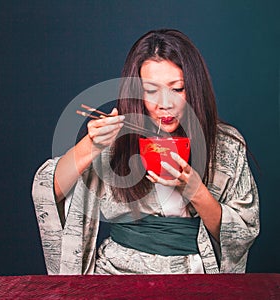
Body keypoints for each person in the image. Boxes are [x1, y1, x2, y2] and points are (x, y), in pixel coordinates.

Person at [32, 29, 259, 274]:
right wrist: (91, 145)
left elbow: (243, 231)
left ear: (195, 88)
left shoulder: (226, 144)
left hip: (196, 273)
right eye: (151, 91)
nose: (164, 103)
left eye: (178, 88)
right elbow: (48, 189)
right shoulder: (116, 139)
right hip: (117, 274)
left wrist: (197, 192)